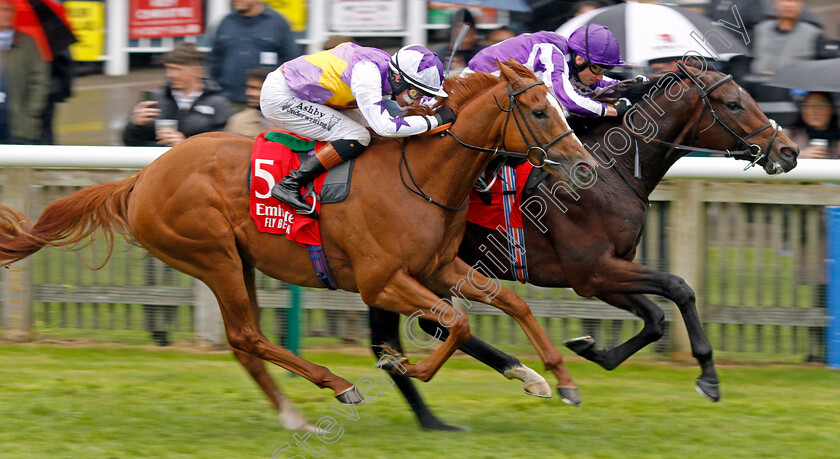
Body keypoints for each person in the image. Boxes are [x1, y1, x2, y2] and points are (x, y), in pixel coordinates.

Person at [260, 43, 456, 212]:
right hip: (282, 98)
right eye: (415, 93)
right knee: (358, 135)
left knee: (369, 130)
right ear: (398, 79)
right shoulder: (367, 73)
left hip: (311, 96)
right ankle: (290, 184)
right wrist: (434, 121)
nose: (417, 101)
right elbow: (385, 127)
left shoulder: (392, 71)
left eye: (421, 95)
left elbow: (420, 103)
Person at [466, 25, 630, 118]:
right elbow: (568, 101)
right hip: (473, 89)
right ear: (580, 59)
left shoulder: (570, 58)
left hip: (498, 93)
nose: (600, 76)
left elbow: (595, 83)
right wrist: (611, 110)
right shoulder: (551, 53)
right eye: (597, 69)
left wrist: (628, 86)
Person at [123, 42, 232, 147]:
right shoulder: (153, 100)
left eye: (177, 69)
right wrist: (135, 125)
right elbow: (130, 142)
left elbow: (222, 146)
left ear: (197, 70)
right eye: (169, 68)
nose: (171, 75)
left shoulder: (218, 104)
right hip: (159, 163)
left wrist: (186, 145)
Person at [206, 0, 300, 111]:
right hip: (229, 99)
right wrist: (218, 89)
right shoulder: (226, 22)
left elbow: (291, 62)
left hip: (266, 102)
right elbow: (215, 59)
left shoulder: (277, 22)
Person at [0, 0, 49, 144]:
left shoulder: (27, 43)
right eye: (2, 10)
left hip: (16, 117)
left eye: (9, 10)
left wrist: (32, 110)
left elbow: (40, 79)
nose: (5, 14)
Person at [750, 0, 821, 76]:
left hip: (794, 83)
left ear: (802, 6)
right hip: (757, 82)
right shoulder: (760, 29)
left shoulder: (813, 34)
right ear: (775, 4)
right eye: (785, 1)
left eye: (795, 1)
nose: (790, 5)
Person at [224, 66, 278, 138]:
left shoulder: (293, 121)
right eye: (249, 87)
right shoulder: (238, 121)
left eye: (256, 88)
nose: (248, 93)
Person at [787, 92, 840, 159]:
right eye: (807, 105)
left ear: (831, 109)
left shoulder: (837, 140)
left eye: (820, 106)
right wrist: (798, 156)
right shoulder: (788, 135)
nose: (813, 111)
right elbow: (773, 161)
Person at [436, 8, 484, 76]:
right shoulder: (443, 51)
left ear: (474, 31)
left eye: (467, 27)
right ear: (452, 31)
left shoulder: (481, 52)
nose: (462, 31)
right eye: (458, 27)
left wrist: (461, 69)